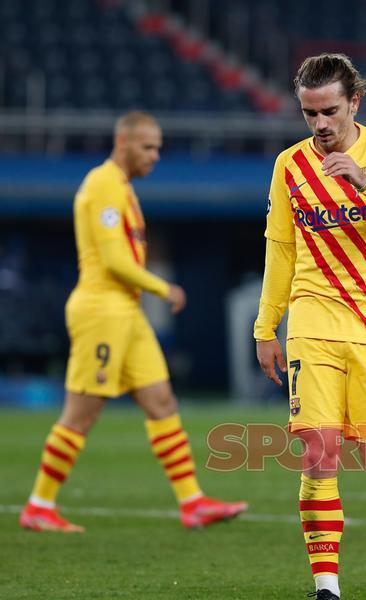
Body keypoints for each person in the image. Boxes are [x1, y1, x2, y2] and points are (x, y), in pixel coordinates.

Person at [254, 54, 366, 600]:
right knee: (318, 454)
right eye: (310, 114)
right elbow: (280, 248)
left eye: (330, 111)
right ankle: (328, 591)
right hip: (312, 322)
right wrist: (266, 326)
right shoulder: (289, 166)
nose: (320, 124)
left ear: (354, 102)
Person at [19, 111, 247, 532]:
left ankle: (192, 502)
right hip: (102, 312)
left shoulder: (121, 188)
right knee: (81, 414)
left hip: (126, 312)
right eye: (148, 147)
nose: (156, 156)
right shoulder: (103, 184)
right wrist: (164, 288)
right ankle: (39, 504)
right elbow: (112, 260)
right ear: (122, 144)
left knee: (161, 401)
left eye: (158, 147)